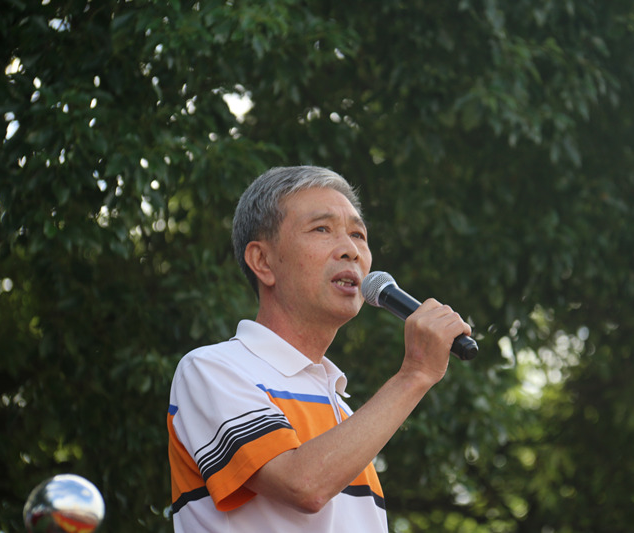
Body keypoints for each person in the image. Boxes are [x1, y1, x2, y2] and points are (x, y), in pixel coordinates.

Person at [167, 166, 471, 531]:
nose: (351, 250)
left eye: (358, 234)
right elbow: (303, 485)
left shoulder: (343, 410)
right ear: (263, 261)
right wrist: (415, 375)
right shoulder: (213, 369)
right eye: (322, 229)